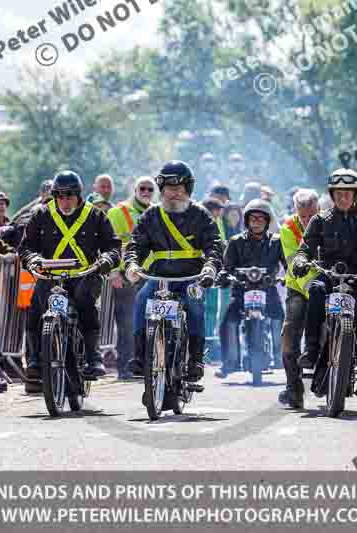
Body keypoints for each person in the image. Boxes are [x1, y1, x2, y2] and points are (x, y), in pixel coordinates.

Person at [291, 169, 357, 397]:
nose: (342, 197)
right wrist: (300, 261)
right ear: (331, 195)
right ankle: (311, 350)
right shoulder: (320, 219)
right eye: (338, 193)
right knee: (316, 290)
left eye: (347, 193)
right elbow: (304, 249)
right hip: (329, 275)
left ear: (355, 194)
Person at [124, 161, 224, 385]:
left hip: (191, 276)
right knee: (141, 299)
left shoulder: (200, 214)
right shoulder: (151, 215)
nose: (174, 193)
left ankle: (195, 360)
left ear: (188, 189)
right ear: (162, 190)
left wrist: (210, 267)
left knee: (195, 305)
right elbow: (135, 245)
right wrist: (132, 265)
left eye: (179, 188)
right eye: (169, 188)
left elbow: (215, 245)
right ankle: (139, 356)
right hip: (159, 276)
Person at [19, 170, 120, 391]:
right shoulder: (41, 214)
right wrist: (33, 259)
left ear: (79, 195)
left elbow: (113, 246)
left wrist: (106, 260)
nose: (65, 201)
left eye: (70, 196)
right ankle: (34, 361)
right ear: (54, 196)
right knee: (36, 307)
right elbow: (26, 247)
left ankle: (93, 357)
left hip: (85, 274)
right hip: (51, 275)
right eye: (60, 196)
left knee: (85, 302)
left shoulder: (95, 215)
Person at [215, 199, 284, 379]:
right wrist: (223, 276)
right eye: (253, 218)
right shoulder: (235, 241)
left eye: (261, 218)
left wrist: (290, 275)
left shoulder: (277, 241)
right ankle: (230, 362)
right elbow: (226, 267)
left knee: (279, 316)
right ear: (246, 221)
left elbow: (288, 264)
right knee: (228, 321)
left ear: (267, 221)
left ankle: (281, 358)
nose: (257, 222)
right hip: (241, 289)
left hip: (268, 288)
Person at [106, 176, 155, 380]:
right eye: (142, 188)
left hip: (151, 274)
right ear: (135, 190)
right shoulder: (118, 212)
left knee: (149, 323)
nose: (146, 192)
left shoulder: (156, 212)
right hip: (126, 275)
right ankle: (125, 367)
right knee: (127, 324)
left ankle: (143, 365)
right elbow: (109, 244)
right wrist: (113, 272)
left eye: (150, 189)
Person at [277, 189, 319, 407]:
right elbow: (294, 264)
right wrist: (313, 289)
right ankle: (293, 388)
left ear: (319, 209)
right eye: (302, 216)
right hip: (299, 287)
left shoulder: (329, 221)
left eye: (311, 215)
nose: (307, 220)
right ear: (295, 211)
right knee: (289, 335)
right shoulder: (288, 228)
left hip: (327, 284)